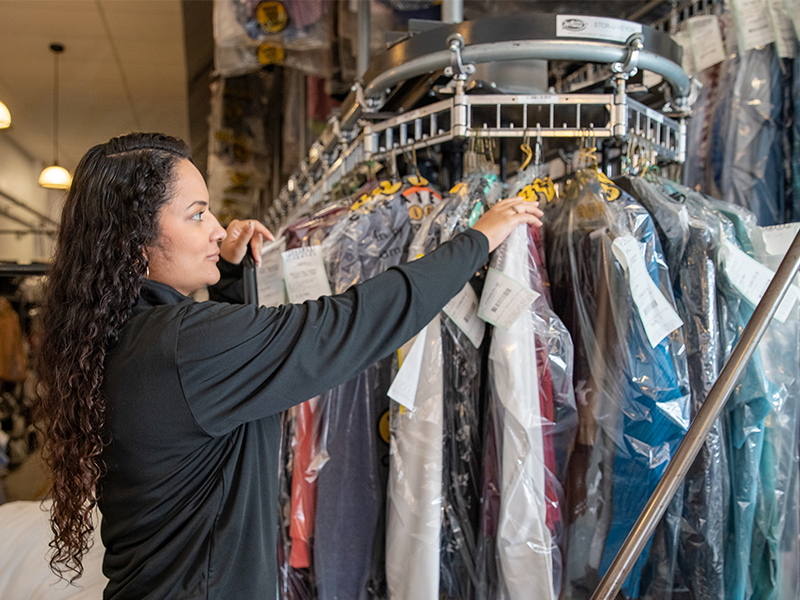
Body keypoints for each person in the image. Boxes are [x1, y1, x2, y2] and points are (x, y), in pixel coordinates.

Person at [35, 132, 544, 599]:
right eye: (196, 215)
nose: (217, 229)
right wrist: (475, 240)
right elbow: (349, 324)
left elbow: (218, 413)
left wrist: (232, 278)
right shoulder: (182, 346)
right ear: (135, 242)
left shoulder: (128, 335)